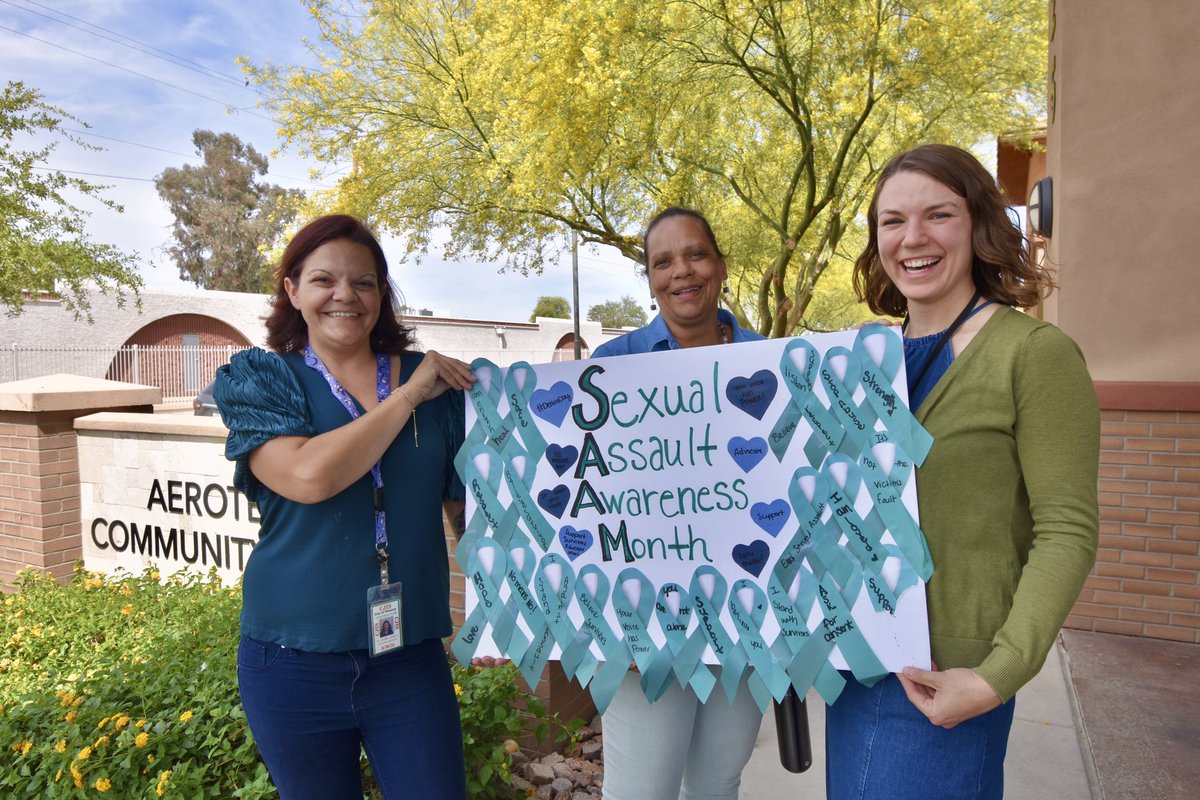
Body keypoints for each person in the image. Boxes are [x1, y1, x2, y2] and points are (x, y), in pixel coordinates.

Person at [825, 144, 1100, 799]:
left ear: (978, 224)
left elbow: (1066, 530)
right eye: (892, 221)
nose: (912, 237)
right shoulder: (862, 363)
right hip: (855, 666)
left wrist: (997, 675)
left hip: (946, 681)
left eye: (938, 214)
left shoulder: (1033, 354)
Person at [213, 214, 476, 800]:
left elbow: (466, 510)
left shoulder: (437, 382)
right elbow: (309, 476)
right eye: (323, 280)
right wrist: (408, 396)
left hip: (407, 657)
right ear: (292, 290)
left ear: (382, 294)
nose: (345, 296)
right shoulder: (262, 379)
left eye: (363, 282)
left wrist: (512, 607)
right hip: (291, 661)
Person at [592, 207, 765, 800]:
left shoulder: (771, 362)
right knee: (641, 791)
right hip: (644, 626)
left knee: (717, 783)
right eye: (662, 262)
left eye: (695, 254)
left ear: (721, 265)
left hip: (746, 615)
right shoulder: (612, 367)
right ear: (649, 279)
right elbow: (590, 504)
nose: (681, 272)